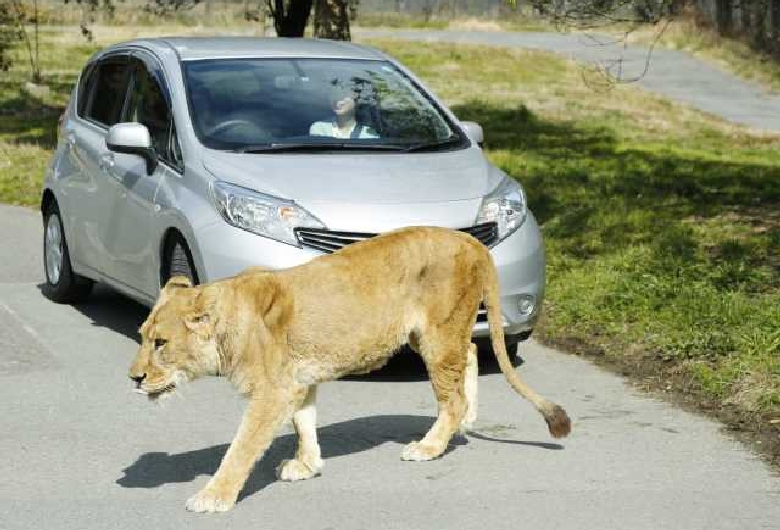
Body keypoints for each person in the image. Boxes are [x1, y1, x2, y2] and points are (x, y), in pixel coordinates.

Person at [309, 82, 378, 139]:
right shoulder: (320, 128)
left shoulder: (368, 134)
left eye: (342, 97)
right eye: (334, 98)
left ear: (356, 101)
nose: (337, 102)